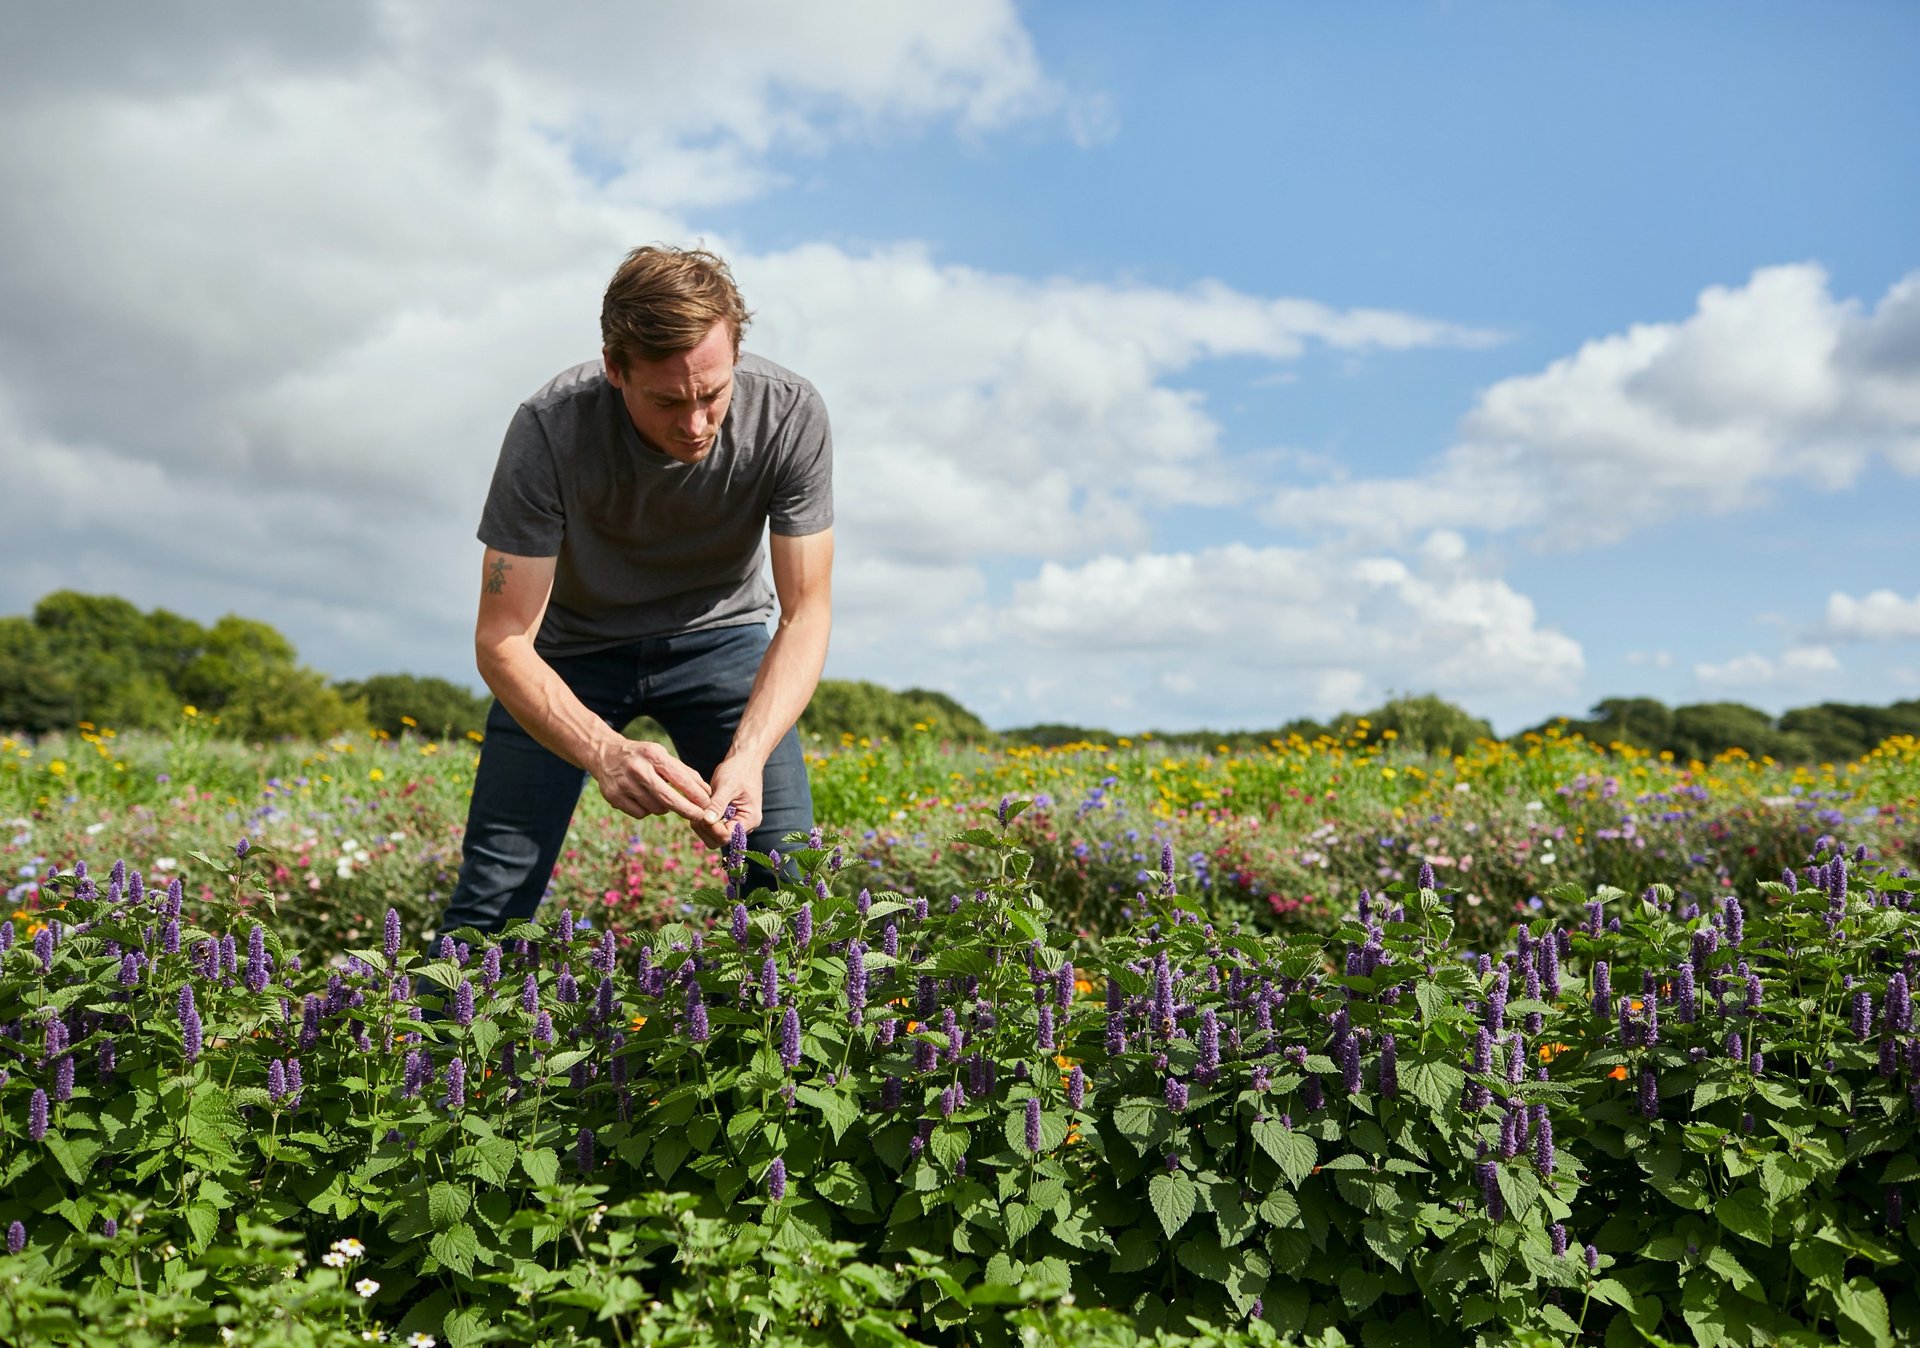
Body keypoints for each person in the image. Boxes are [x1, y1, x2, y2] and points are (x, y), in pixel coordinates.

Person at [429, 245, 833, 946]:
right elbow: (502, 639)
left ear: (737, 353)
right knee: (489, 910)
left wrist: (746, 754)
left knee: (788, 886)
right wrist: (604, 751)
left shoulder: (790, 414)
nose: (697, 424)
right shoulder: (548, 430)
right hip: (570, 652)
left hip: (722, 639)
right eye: (668, 401)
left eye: (714, 394)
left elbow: (804, 614)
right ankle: (446, 1054)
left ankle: (764, 1054)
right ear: (615, 370)